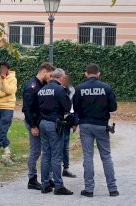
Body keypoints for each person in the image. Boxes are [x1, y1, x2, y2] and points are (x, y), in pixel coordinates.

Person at [73, 63, 119, 198]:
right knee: (106, 156)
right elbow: (113, 107)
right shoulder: (106, 87)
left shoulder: (80, 88)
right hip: (101, 125)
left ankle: (89, 189)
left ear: (86, 74)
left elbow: (75, 108)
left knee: (88, 156)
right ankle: (112, 189)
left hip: (86, 125)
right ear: (98, 74)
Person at [38, 68, 73, 195]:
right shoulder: (60, 90)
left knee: (46, 154)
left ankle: (45, 184)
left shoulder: (42, 90)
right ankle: (58, 186)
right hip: (54, 124)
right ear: (61, 78)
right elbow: (68, 107)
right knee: (56, 155)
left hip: (42, 123)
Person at [22, 62, 55, 190]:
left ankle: (47, 178)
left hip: (41, 122)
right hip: (34, 122)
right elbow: (27, 109)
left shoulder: (42, 85)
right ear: (44, 71)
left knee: (47, 150)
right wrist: (33, 126)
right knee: (35, 151)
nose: (51, 78)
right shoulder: (32, 87)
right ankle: (32, 179)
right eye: (50, 75)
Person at [0, 62, 17, 155]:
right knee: (0, 128)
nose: (2, 70)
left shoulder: (13, 79)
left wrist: (4, 79)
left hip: (8, 107)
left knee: (3, 127)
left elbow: (10, 90)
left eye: (4, 68)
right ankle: (6, 147)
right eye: (1, 68)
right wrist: (3, 94)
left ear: (8, 69)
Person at [61, 75, 77, 178]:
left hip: (67, 120)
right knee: (56, 146)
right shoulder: (56, 89)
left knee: (65, 146)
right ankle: (54, 171)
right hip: (56, 120)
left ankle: (65, 168)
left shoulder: (71, 90)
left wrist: (75, 122)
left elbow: (74, 106)